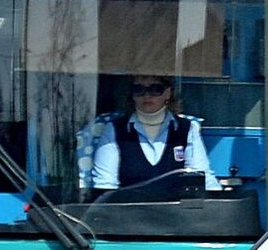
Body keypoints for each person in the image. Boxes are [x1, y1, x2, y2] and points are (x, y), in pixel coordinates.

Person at [88, 75, 218, 194]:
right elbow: (105, 185)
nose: (147, 95)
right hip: (128, 215)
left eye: (155, 89)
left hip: (175, 214)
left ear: (168, 93)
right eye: (139, 89)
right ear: (132, 95)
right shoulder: (114, 129)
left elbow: (204, 179)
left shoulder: (187, 129)